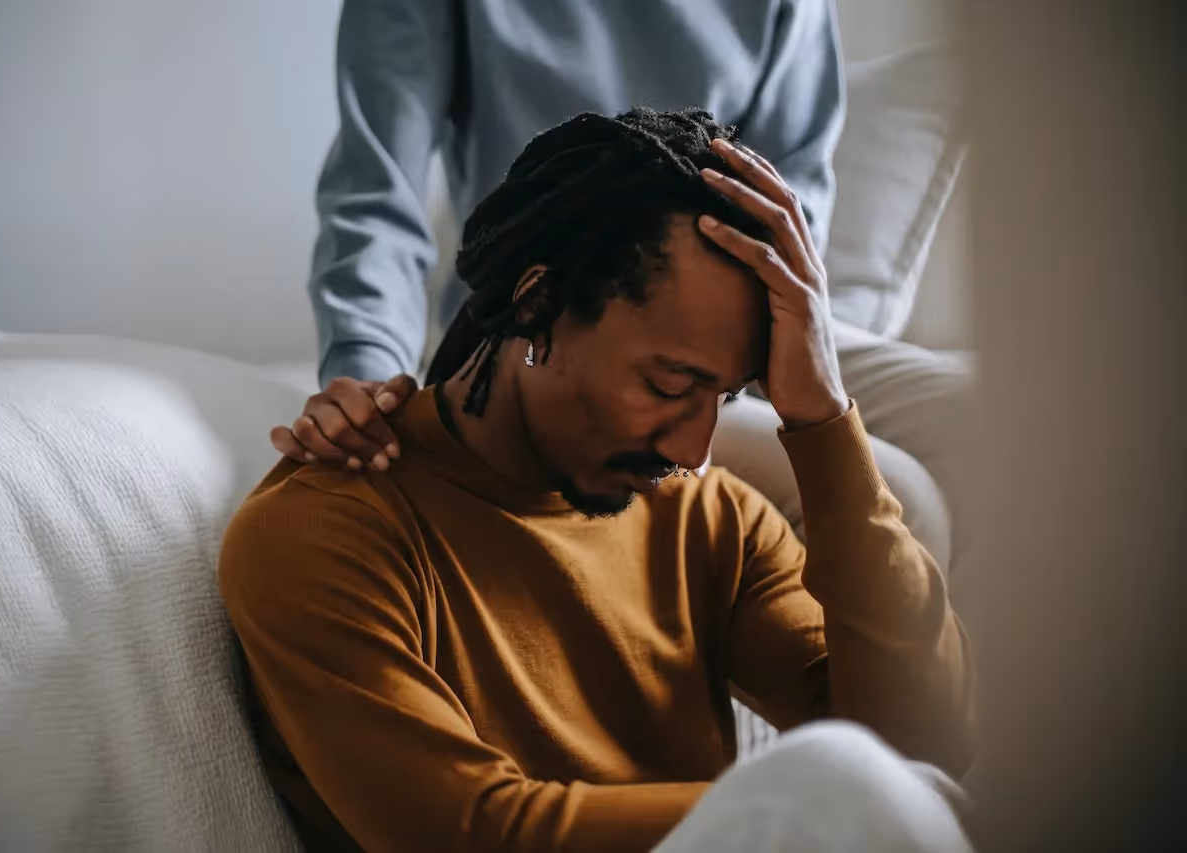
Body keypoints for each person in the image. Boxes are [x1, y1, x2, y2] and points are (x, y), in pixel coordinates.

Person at [220, 109, 975, 853]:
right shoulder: (327, 531)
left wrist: (822, 415)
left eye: (727, 396)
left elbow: (922, 744)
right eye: (669, 380)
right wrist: (806, 808)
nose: (695, 445)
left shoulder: (713, 519)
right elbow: (470, 834)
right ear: (536, 302)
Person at [284, 0, 967, 578]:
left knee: (973, 422)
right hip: (567, 318)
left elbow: (795, 188)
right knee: (906, 495)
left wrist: (791, 374)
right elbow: (377, 190)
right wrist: (367, 373)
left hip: (738, 321)